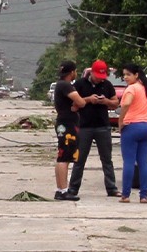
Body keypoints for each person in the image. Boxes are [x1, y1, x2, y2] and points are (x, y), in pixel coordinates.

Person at [67, 59, 121, 198]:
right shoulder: (79, 84)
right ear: (92, 72)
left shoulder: (107, 85)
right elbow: (73, 104)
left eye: (102, 77)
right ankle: (73, 188)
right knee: (79, 160)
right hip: (84, 126)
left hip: (103, 126)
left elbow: (116, 103)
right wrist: (89, 99)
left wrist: (105, 101)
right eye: (98, 76)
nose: (99, 79)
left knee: (107, 159)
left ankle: (111, 188)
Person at [118, 63, 147, 203]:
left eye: (128, 74)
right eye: (124, 75)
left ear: (136, 75)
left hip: (131, 127)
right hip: (146, 127)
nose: (125, 77)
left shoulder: (131, 89)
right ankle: (144, 195)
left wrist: (121, 120)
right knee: (143, 162)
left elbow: (127, 104)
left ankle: (126, 194)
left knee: (129, 161)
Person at [53, 60, 87, 201]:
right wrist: (79, 103)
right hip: (66, 124)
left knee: (62, 156)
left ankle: (60, 189)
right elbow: (81, 102)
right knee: (65, 157)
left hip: (63, 122)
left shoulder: (60, 85)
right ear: (72, 72)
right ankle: (63, 190)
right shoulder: (66, 86)